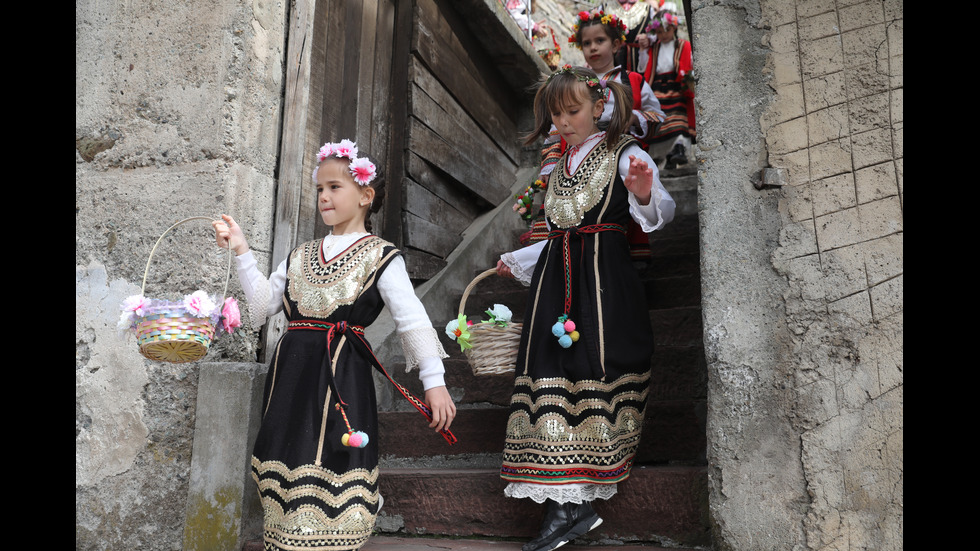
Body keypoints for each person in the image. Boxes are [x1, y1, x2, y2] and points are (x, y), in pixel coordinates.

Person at [213, 140, 457, 551]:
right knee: (286, 451)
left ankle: (335, 538)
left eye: (335, 187)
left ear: (365, 195)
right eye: (320, 189)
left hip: (342, 375)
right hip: (291, 375)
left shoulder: (382, 256)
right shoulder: (299, 255)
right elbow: (261, 309)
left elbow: (411, 317)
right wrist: (241, 251)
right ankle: (286, 540)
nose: (324, 196)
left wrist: (434, 381)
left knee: (332, 456)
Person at [495, 66, 675, 551]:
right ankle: (568, 507)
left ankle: (570, 507)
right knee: (550, 376)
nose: (563, 122)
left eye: (572, 111)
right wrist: (518, 261)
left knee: (591, 372)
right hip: (556, 289)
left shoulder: (625, 154)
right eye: (556, 114)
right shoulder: (554, 169)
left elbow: (659, 214)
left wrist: (641, 192)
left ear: (599, 107)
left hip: (603, 288)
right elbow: (559, 236)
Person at [537, 10, 664, 261]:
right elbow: (554, 132)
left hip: (617, 155)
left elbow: (658, 117)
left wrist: (633, 118)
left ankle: (622, 263)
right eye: (586, 43)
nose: (593, 48)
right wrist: (550, 168)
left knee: (619, 208)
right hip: (577, 161)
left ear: (616, 44)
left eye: (600, 41)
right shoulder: (572, 82)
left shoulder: (634, 80)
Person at [643, 5, 696, 169]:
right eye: (658, 32)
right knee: (658, 120)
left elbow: (688, 65)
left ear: (673, 27)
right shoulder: (654, 48)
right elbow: (647, 68)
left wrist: (687, 80)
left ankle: (678, 148)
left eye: (665, 30)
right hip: (658, 87)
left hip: (676, 87)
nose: (662, 35)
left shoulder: (683, 45)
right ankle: (663, 155)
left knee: (678, 119)